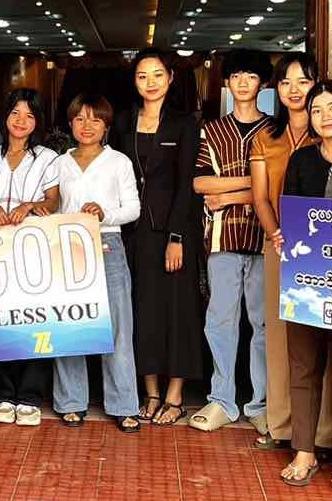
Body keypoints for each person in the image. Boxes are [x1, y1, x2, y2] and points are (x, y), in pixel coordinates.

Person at [249, 52, 332, 454]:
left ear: (317, 84)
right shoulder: (265, 137)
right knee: (283, 336)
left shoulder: (330, 132)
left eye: (303, 82)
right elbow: (260, 197)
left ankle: (327, 433)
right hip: (283, 246)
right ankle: (283, 423)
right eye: (285, 82)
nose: (294, 90)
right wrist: (277, 235)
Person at [112, 48, 205, 427]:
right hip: (133, 231)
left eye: (156, 75)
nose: (149, 83)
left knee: (178, 311)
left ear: (169, 78)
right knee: (142, 311)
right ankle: (150, 391)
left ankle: (175, 395)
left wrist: (178, 236)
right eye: (141, 76)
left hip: (172, 230)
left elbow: (187, 184)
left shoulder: (185, 123)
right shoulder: (122, 121)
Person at [189, 49, 272, 434]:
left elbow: (281, 183)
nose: (242, 82)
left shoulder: (276, 130)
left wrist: (231, 195)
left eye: (250, 76)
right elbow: (200, 183)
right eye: (236, 75)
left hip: (265, 235)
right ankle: (222, 398)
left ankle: (261, 402)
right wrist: (253, 182)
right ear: (226, 82)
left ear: (261, 83)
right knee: (220, 320)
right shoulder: (212, 129)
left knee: (262, 322)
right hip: (221, 237)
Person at [278, 81, 332, 489]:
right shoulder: (302, 159)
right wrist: (282, 236)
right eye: (316, 110)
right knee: (304, 364)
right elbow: (289, 211)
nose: (324, 117)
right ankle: (304, 451)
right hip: (307, 280)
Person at [0, 88, 60, 426]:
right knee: (2, 323)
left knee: (36, 322)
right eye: (16, 113)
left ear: (38, 122)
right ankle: (5, 394)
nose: (21, 121)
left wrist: (29, 206)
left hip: (35, 252)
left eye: (29, 115)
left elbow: (53, 201)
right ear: (5, 117)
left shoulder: (49, 158)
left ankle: (31, 396)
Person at [52, 93, 141, 433]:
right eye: (79, 118)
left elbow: (132, 208)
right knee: (70, 325)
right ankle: (71, 401)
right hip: (68, 247)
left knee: (117, 328)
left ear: (106, 125)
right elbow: (53, 206)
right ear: (70, 123)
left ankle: (123, 404)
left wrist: (105, 214)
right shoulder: (60, 163)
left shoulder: (118, 162)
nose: (86, 125)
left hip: (108, 244)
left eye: (94, 119)